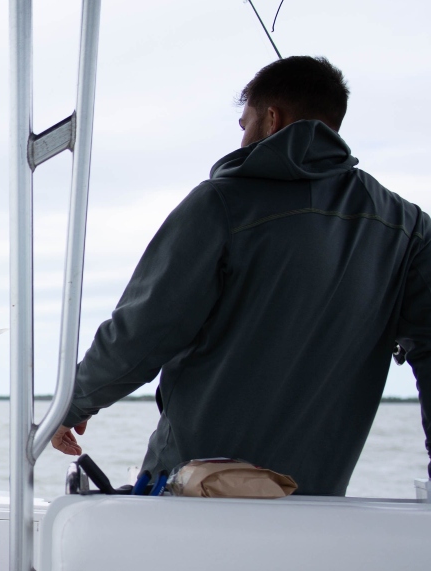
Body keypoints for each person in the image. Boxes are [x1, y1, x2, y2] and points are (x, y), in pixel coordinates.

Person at [50, 56, 431, 496]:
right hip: (319, 507)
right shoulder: (409, 228)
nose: (242, 134)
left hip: (198, 494)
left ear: (272, 119)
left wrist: (73, 401)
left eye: (245, 121)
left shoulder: (220, 204)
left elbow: (143, 331)